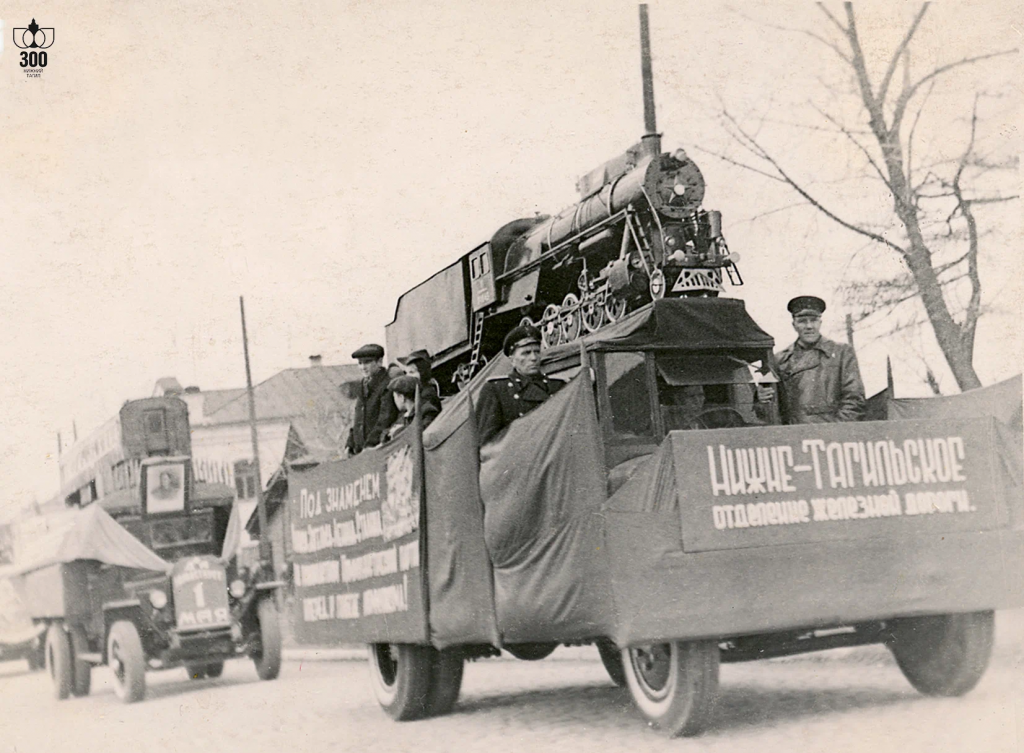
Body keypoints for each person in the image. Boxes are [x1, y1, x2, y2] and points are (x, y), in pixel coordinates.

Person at [775, 296, 865, 424]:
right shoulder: (780, 360)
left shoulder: (841, 352)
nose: (809, 326)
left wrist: (834, 433)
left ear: (820, 322)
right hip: (794, 435)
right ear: (794, 324)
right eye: (802, 321)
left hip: (831, 435)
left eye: (814, 320)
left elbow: (854, 399)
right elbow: (771, 407)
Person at [475, 324, 566, 445]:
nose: (534, 358)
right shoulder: (497, 390)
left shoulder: (558, 386)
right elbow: (488, 443)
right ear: (512, 360)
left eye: (537, 352)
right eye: (526, 353)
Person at [345, 343, 399, 455]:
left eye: (367, 362)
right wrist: (350, 443)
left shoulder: (387, 385)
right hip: (361, 452)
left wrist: (369, 446)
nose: (363, 367)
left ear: (379, 362)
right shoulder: (363, 385)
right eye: (360, 363)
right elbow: (358, 419)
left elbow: (385, 419)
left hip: (378, 450)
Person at [380, 375, 440, 443]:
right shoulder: (404, 415)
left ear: (402, 398)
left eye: (395, 397)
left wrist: (399, 431)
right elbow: (386, 432)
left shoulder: (427, 411)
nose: (394, 401)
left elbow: (420, 434)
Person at [399, 349, 443, 415]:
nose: (407, 376)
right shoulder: (419, 391)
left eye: (412, 372)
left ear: (423, 374)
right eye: (406, 373)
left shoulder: (427, 395)